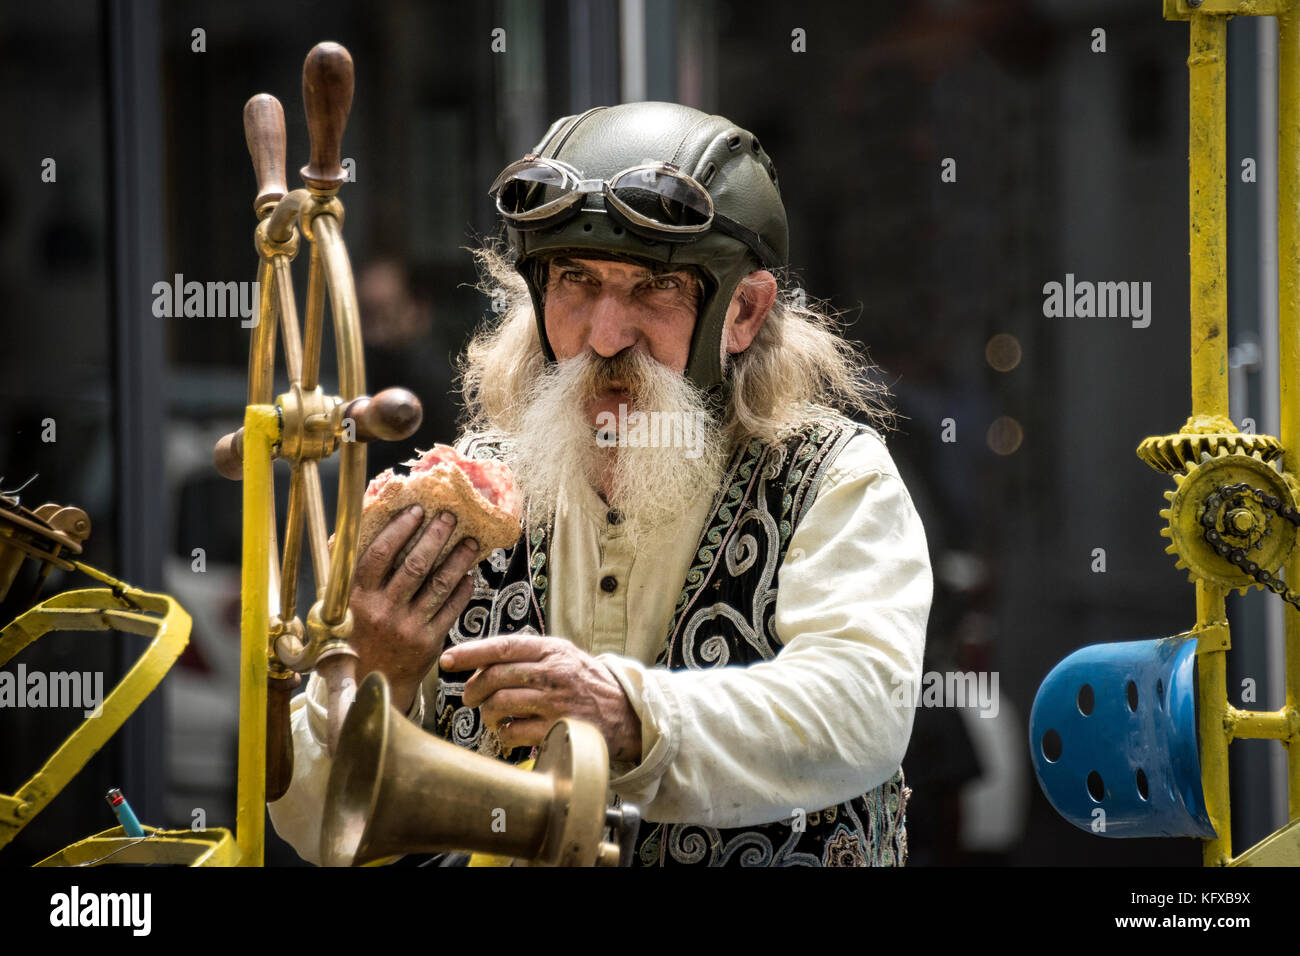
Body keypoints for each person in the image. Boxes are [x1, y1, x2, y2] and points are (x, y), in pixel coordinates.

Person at [269, 101, 933, 867]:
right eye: (575, 282)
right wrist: (372, 678)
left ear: (743, 311)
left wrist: (628, 713)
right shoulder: (470, 494)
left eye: (654, 288)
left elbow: (863, 710)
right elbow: (321, 828)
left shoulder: (832, 478)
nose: (605, 335)